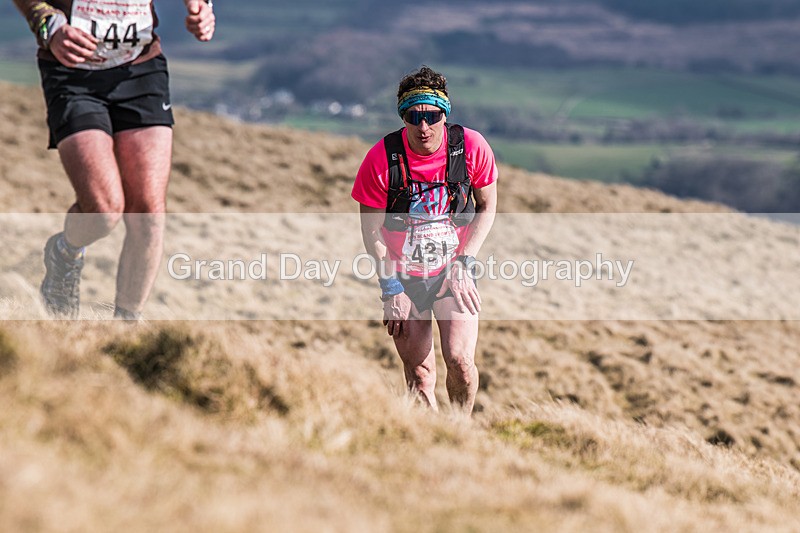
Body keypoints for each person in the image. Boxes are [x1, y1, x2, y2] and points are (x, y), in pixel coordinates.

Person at [13, 0, 215, 319]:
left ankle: (125, 329)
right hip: (73, 75)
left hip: (140, 70)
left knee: (148, 213)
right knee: (104, 210)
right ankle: (64, 253)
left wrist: (201, 7)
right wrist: (48, 24)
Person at [353, 66, 498, 414]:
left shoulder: (470, 148)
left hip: (453, 272)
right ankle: (430, 442)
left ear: (444, 115)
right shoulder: (381, 159)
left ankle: (460, 427)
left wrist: (466, 261)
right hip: (404, 278)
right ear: (403, 117)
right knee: (419, 374)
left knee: (461, 360)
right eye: (413, 116)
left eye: (432, 116)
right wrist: (390, 288)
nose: (423, 126)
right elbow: (371, 230)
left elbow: (487, 204)